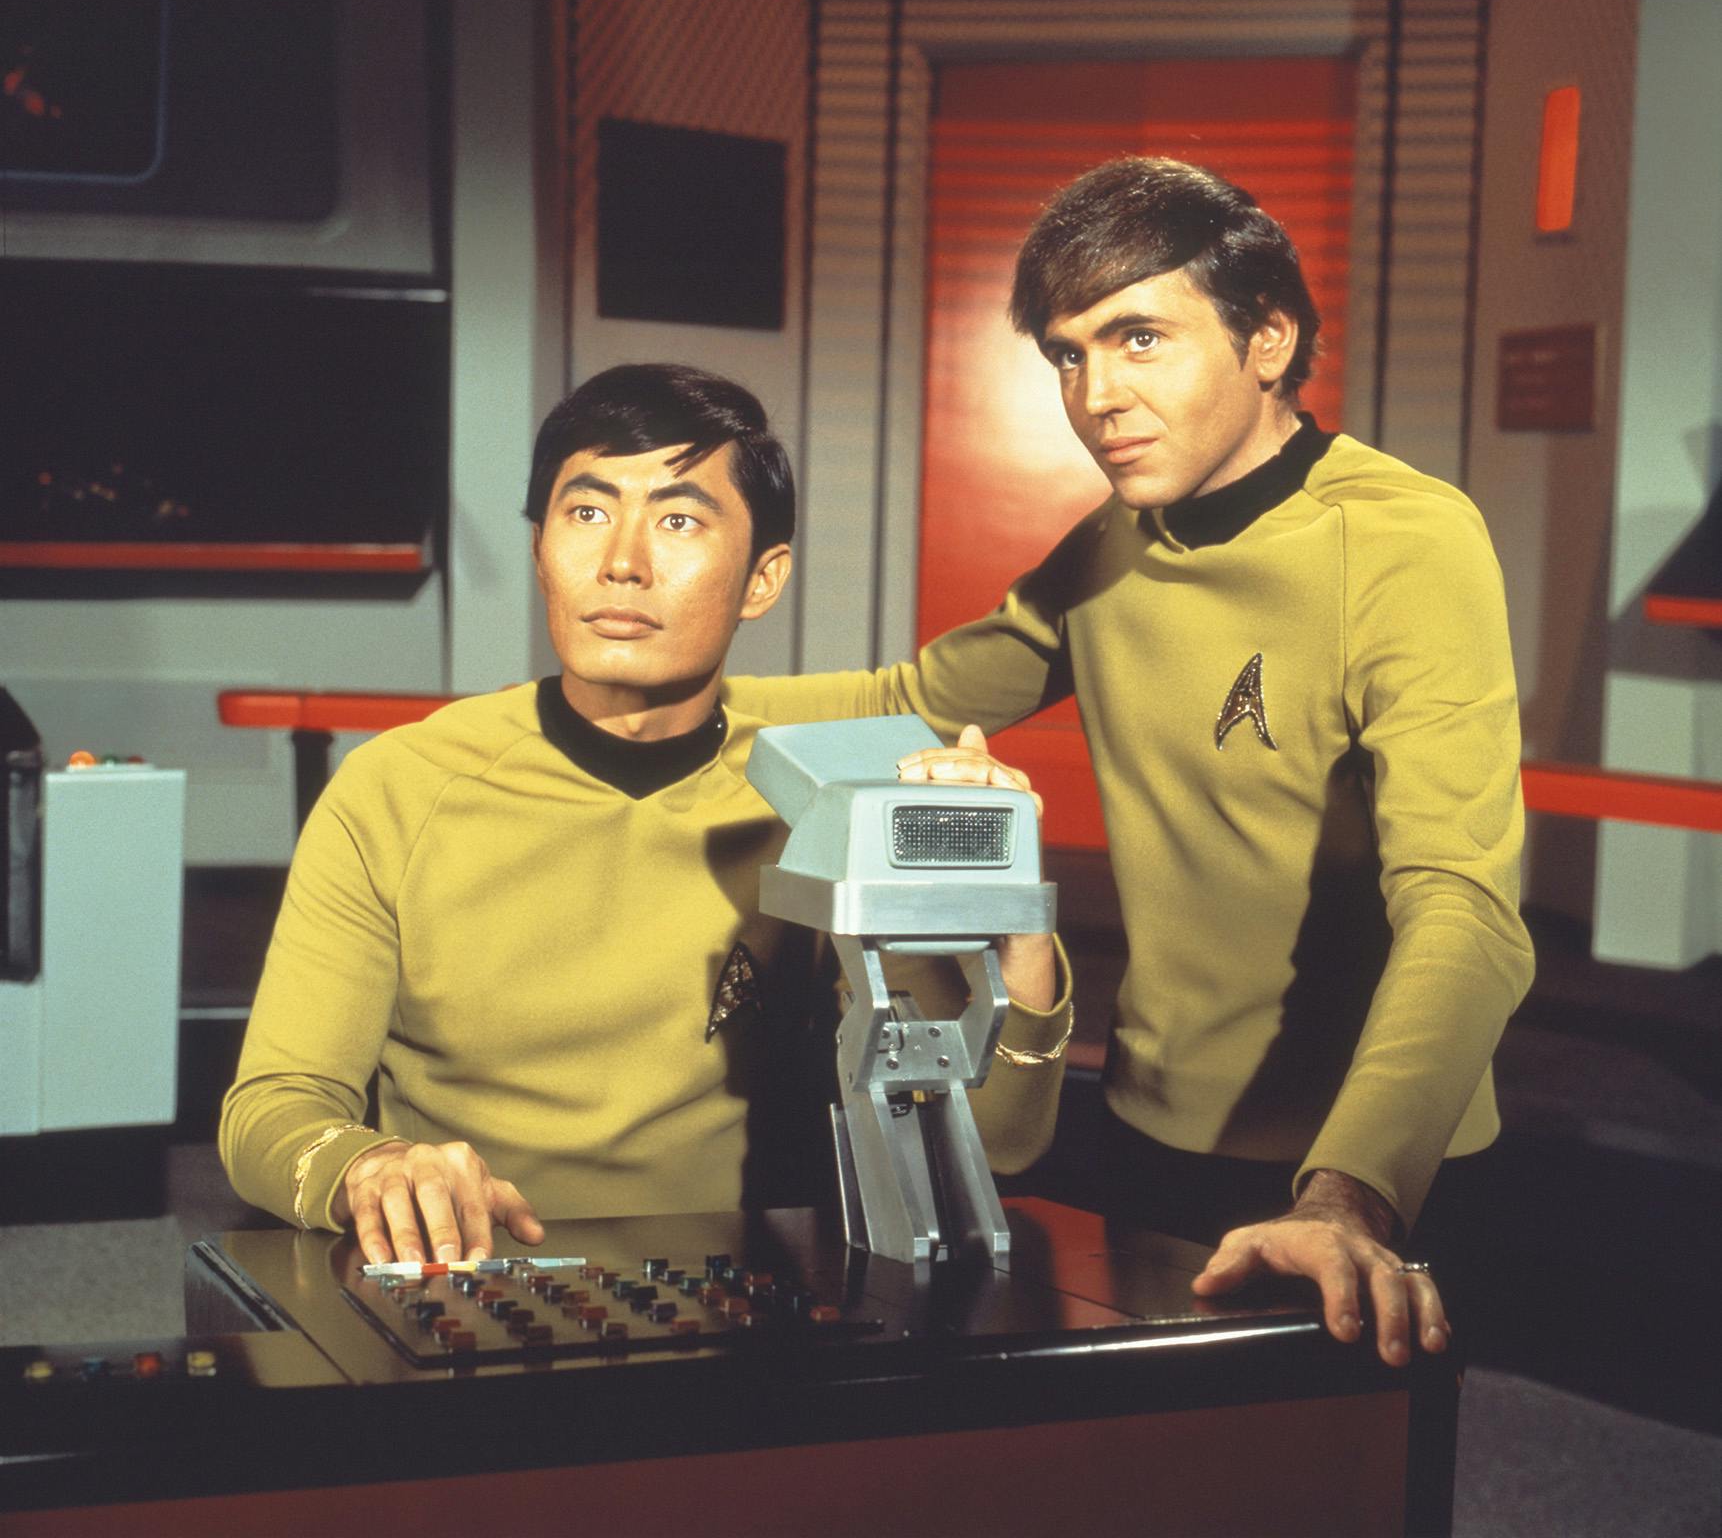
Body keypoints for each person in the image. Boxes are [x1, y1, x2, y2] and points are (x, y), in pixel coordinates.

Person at [726, 157, 1535, 1367]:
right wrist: (642, 703)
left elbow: (1464, 903)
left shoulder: (1407, 538)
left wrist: (1351, 1193)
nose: (1098, 394)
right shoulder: (1116, 539)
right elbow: (915, 700)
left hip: (1359, 1165)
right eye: (1069, 354)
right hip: (1148, 1128)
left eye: (1140, 338)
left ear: (1269, 340)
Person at [220, 363, 1070, 1266]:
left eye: (678, 520)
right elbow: (272, 1109)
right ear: (541, 547)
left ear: (762, 578)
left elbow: (998, 1145)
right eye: (587, 512)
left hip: (736, 1298)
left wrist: (1013, 921)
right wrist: (372, 1166)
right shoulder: (397, 787)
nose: (621, 563)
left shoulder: (824, 792)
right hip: (466, 1286)